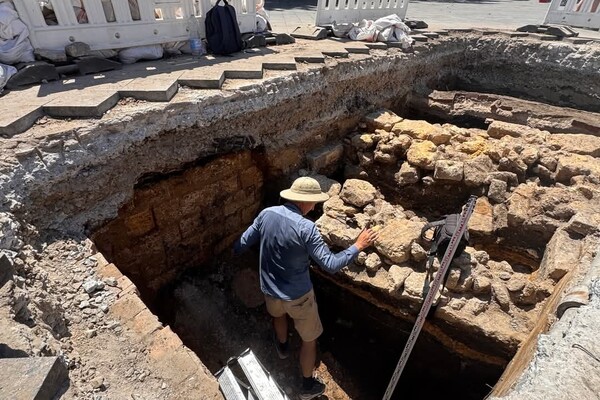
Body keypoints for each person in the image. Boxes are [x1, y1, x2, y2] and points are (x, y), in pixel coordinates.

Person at [233, 176, 378, 400]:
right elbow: (330, 264)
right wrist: (357, 246)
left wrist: (233, 253)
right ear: (304, 202)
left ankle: (282, 348)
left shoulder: (267, 214)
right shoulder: (307, 228)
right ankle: (307, 386)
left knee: (278, 316)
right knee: (309, 341)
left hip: (270, 290)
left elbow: (243, 242)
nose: (315, 207)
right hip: (299, 298)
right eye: (314, 202)